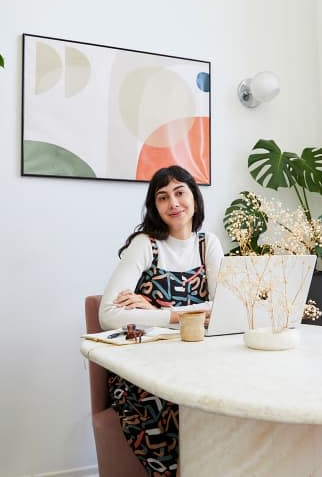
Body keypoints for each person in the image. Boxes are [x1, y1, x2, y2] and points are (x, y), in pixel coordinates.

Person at [100, 165, 223, 476]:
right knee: (170, 406)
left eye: (180, 192)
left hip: (198, 364)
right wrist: (180, 314)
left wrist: (151, 307)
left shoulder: (208, 244)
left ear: (194, 197)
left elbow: (225, 311)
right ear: (155, 207)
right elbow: (107, 315)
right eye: (163, 197)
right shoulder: (146, 244)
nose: (174, 203)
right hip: (145, 371)